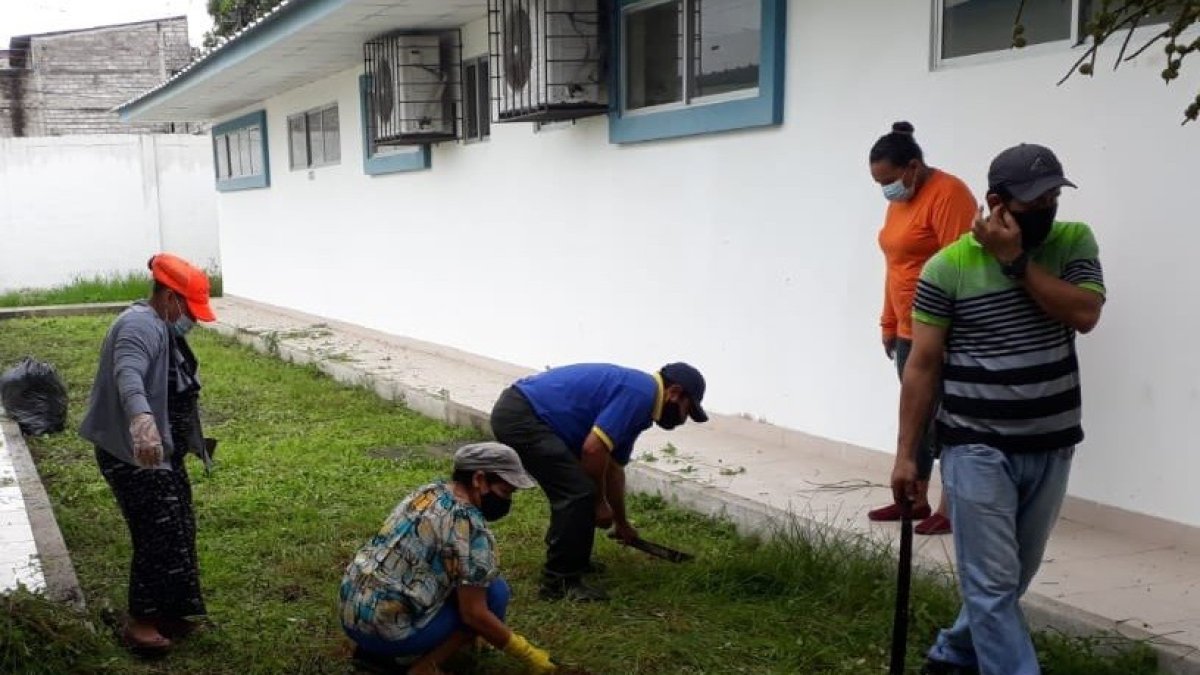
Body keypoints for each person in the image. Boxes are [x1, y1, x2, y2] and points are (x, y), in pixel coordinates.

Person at [890, 144, 1105, 675]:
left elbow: (1084, 314)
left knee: (1014, 577)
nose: (1049, 207)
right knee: (990, 584)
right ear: (997, 202)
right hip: (974, 444)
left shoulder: (1072, 241)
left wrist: (1016, 261)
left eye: (1054, 194)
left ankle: (953, 653)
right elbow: (922, 366)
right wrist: (907, 456)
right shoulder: (949, 266)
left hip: (1051, 443)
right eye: (1035, 200)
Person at [80, 253, 217, 653]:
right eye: (188, 307)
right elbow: (129, 375)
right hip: (134, 453)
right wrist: (142, 421)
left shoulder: (163, 325)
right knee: (156, 533)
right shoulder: (138, 325)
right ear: (170, 297)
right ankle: (140, 622)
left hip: (163, 452)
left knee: (178, 528)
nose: (191, 317)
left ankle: (171, 613)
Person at [490, 362, 708, 602]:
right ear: (674, 393)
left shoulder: (642, 401)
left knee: (578, 488)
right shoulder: (640, 394)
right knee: (578, 492)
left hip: (526, 413)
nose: (684, 419)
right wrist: (599, 503)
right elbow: (593, 450)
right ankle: (559, 583)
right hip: (522, 415)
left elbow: (613, 469)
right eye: (687, 410)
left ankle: (573, 560)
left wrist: (621, 522)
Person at [339, 443, 554, 675]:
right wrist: (526, 652)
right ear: (479, 479)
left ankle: (373, 655)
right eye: (505, 492)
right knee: (493, 595)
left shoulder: (428, 492)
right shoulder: (473, 532)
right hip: (389, 633)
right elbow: (475, 614)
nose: (507, 501)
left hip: (351, 614)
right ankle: (423, 667)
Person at [868, 120, 977, 536]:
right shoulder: (900, 200)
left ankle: (953, 507)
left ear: (913, 167)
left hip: (941, 330)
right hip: (907, 330)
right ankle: (914, 499)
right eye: (879, 183)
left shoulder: (949, 195)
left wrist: (950, 333)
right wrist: (890, 321)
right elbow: (895, 264)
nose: (886, 190)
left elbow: (960, 267)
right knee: (918, 418)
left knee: (949, 417)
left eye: (890, 180)